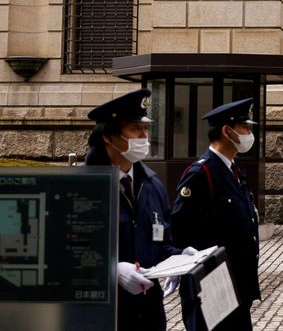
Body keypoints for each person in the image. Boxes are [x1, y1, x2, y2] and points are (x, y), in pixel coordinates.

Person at [85, 89, 192, 331]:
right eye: (135, 129)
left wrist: (179, 256)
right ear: (109, 137)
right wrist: (112, 271)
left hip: (149, 314)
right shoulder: (84, 187)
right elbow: (64, 253)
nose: (144, 136)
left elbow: (160, 242)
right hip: (103, 315)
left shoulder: (153, 185)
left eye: (146, 129)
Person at [172, 97, 261, 330]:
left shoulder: (234, 171)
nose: (250, 133)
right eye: (245, 127)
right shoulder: (202, 173)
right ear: (226, 131)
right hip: (211, 286)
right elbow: (180, 228)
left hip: (239, 284)